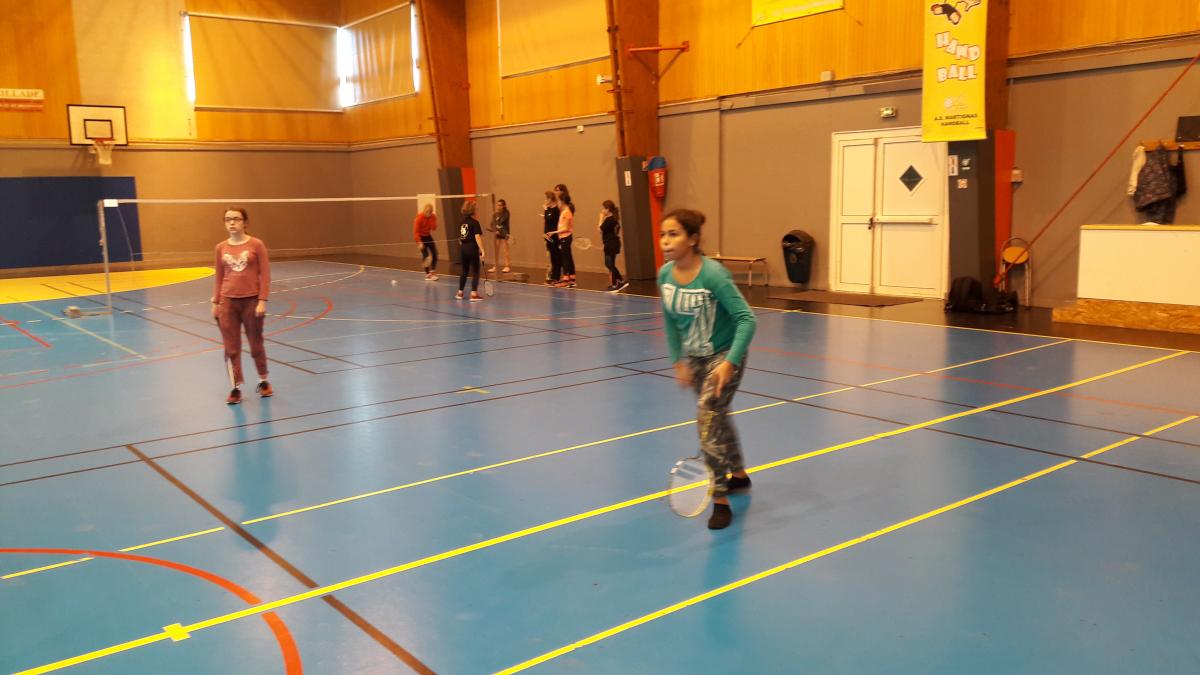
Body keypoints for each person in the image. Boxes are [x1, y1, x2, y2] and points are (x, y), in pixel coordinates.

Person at [657, 209, 757, 529]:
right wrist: (678, 361)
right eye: (663, 234)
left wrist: (730, 362)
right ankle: (738, 474)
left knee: (707, 421)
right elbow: (670, 321)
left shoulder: (713, 275)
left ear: (693, 239)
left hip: (724, 356)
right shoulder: (664, 275)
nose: (665, 241)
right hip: (696, 359)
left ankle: (720, 499)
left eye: (673, 234)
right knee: (718, 417)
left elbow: (747, 319)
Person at [211, 207, 273, 405]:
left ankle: (263, 380)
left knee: (256, 344)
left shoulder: (256, 245)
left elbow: (265, 275)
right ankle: (235, 387)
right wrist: (216, 302)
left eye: (236, 219)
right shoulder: (220, 248)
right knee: (231, 348)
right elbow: (219, 277)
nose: (232, 222)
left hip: (252, 302)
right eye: (228, 219)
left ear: (245, 222)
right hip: (227, 303)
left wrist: (262, 300)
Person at [457, 201, 485, 301]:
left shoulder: (461, 223)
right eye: (476, 209)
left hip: (463, 248)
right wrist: (482, 250)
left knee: (464, 270)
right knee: (475, 271)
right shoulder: (475, 223)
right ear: (473, 210)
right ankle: (473, 294)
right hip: (472, 248)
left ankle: (460, 293)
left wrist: (465, 246)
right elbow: (477, 237)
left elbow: (460, 239)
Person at [599, 200, 627, 292]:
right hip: (612, 243)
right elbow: (609, 233)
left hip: (611, 244)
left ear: (608, 209)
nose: (602, 210)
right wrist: (605, 244)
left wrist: (601, 218)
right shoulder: (614, 219)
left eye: (603, 208)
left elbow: (600, 229)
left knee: (609, 264)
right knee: (610, 264)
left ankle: (616, 284)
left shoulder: (609, 219)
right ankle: (619, 282)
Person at [552, 183, 576, 287]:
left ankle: (566, 280)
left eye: (560, 201)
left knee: (565, 258)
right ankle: (571, 278)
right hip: (564, 237)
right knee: (568, 257)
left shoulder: (566, 212)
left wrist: (553, 232)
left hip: (565, 237)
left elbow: (565, 228)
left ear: (563, 201)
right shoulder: (564, 211)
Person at [414, 202, 438, 281]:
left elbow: (434, 228)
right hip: (420, 237)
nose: (428, 213)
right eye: (427, 211)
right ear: (424, 211)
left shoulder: (433, 217)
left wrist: (432, 220)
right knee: (426, 256)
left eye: (430, 212)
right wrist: (419, 242)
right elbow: (416, 232)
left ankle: (432, 271)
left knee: (435, 253)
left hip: (428, 236)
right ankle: (427, 274)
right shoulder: (419, 218)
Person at [487, 198, 511, 273]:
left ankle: (507, 266)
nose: (498, 206)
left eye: (500, 205)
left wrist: (498, 228)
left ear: (504, 206)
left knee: (505, 250)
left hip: (505, 233)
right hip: (497, 234)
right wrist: (495, 230)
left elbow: (501, 222)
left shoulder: (506, 213)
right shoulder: (495, 214)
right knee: (496, 251)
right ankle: (495, 266)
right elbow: (492, 224)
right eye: (498, 205)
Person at [543, 191, 561, 284]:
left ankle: (556, 277)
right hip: (548, 237)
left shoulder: (556, 210)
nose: (545, 200)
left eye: (546, 198)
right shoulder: (549, 209)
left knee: (556, 257)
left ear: (550, 199)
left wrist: (545, 210)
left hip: (554, 237)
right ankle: (553, 276)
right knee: (552, 258)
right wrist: (544, 236)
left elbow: (549, 220)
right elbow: (546, 223)